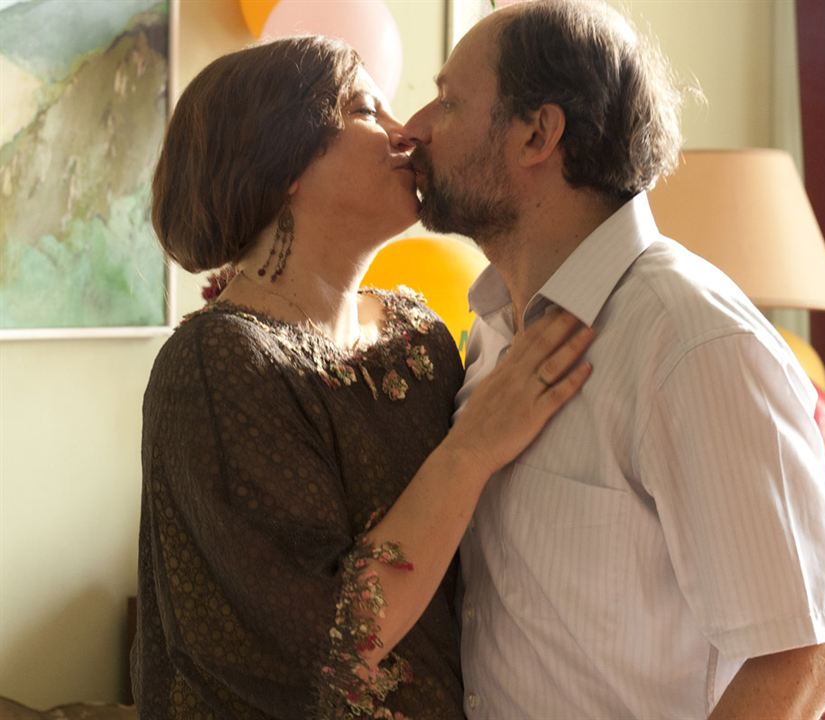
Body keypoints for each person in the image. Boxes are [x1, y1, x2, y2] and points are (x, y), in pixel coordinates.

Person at [403, 1, 825, 717]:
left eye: (449, 101)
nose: (414, 128)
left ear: (537, 133)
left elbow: (802, 654)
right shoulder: (488, 334)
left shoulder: (692, 342)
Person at [132, 35, 594, 720]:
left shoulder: (419, 334)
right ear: (282, 159)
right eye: (363, 109)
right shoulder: (213, 366)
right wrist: (470, 448)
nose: (404, 132)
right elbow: (329, 644)